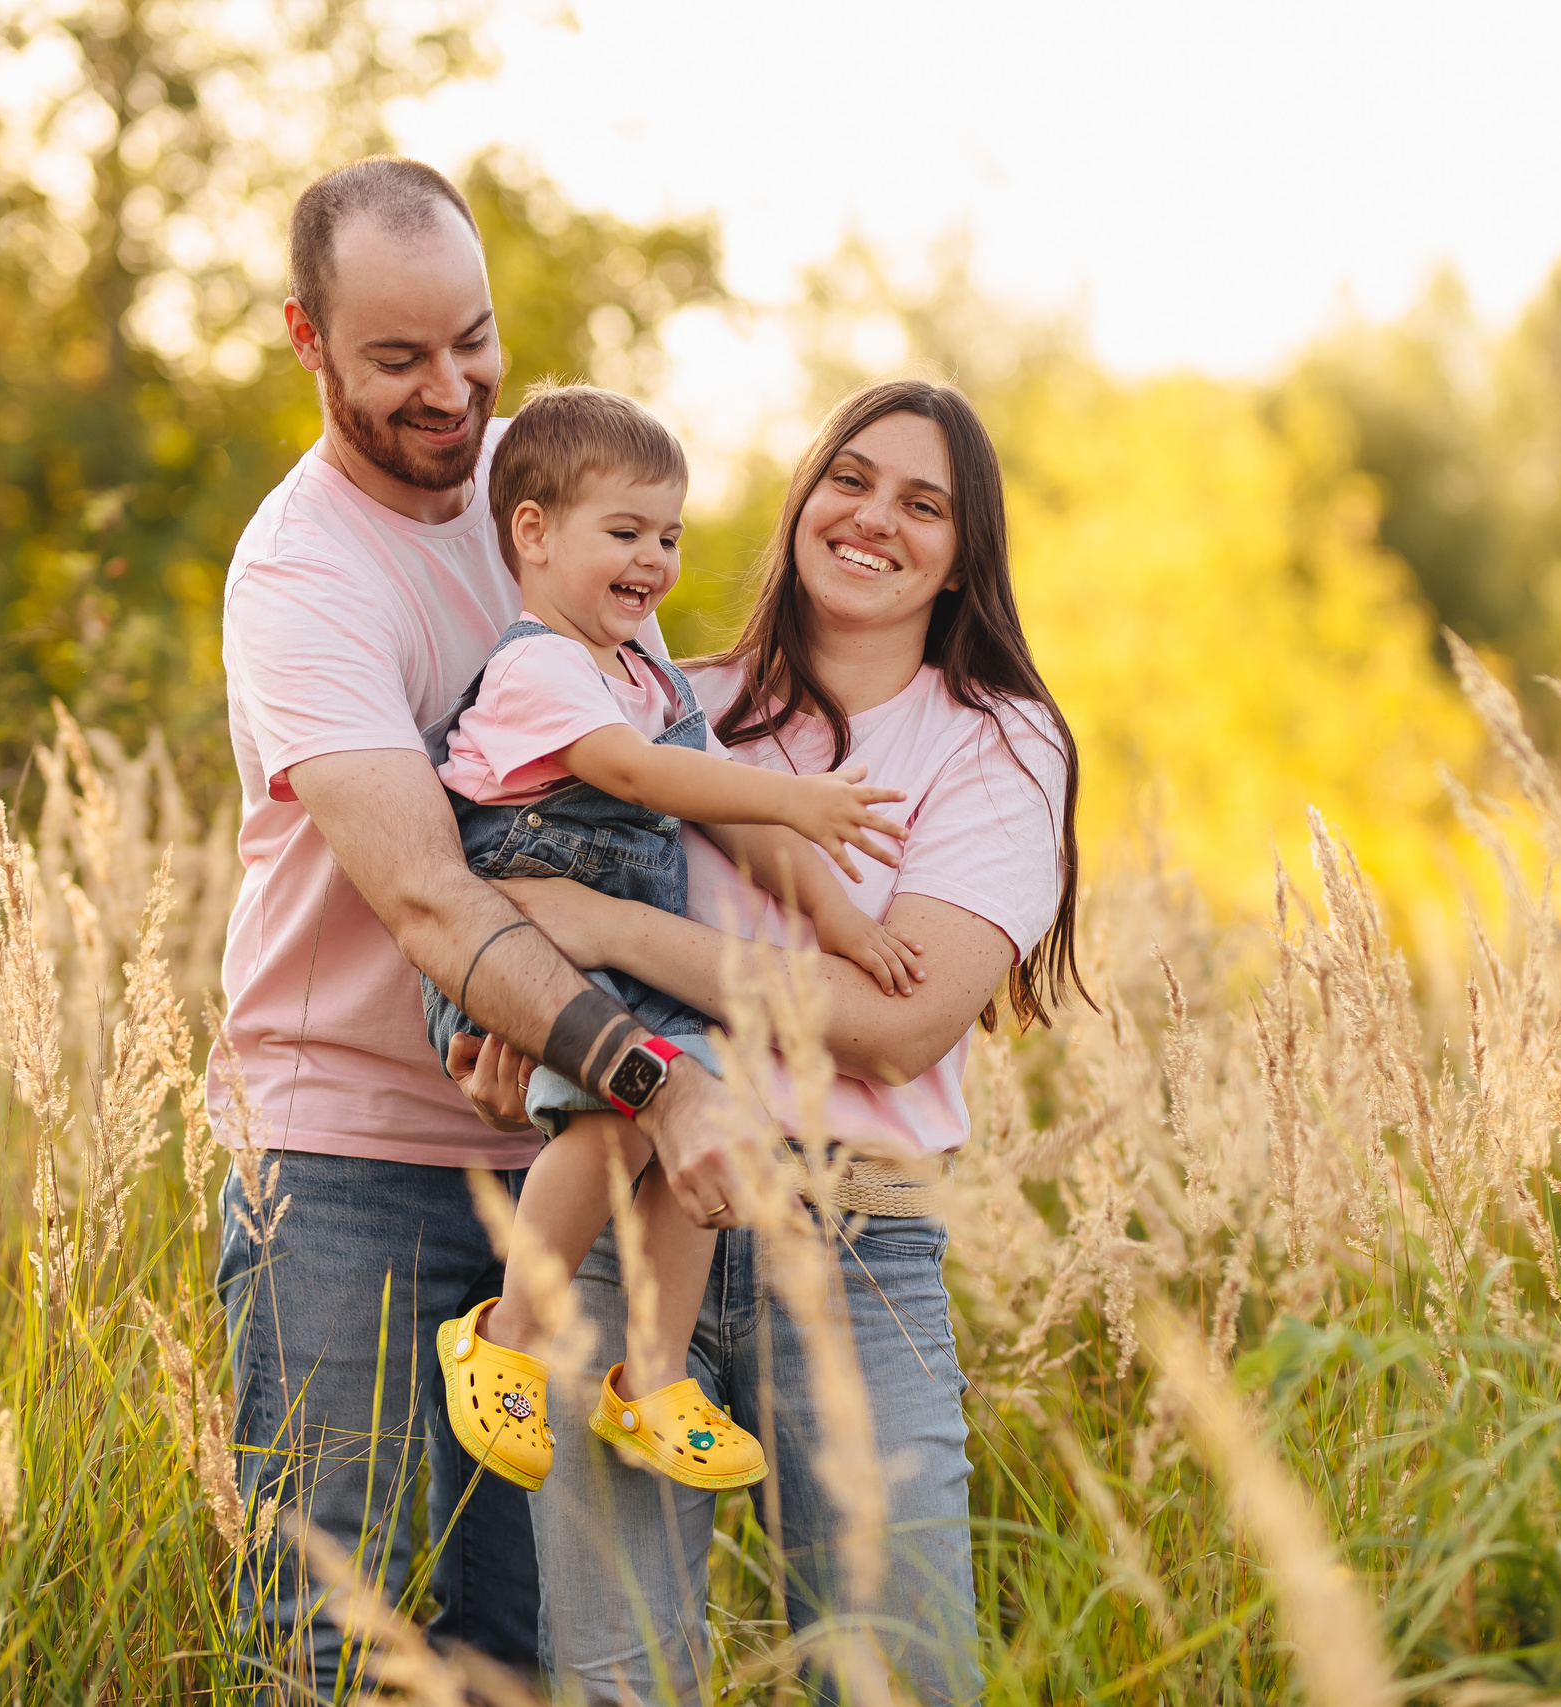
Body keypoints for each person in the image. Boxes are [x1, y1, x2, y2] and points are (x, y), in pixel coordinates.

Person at [209, 156, 756, 1698]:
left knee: (520, 1646)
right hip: (341, 1167)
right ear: (307, 337)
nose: (453, 390)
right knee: (344, 1632)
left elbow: (661, 741)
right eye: (398, 358)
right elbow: (434, 898)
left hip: (551, 1158)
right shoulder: (301, 574)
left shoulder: (551, 479)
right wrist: (659, 1073)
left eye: (474, 338)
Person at [494, 378, 1085, 1705]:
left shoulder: (993, 741)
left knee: (899, 1675)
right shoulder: (655, 701)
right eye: (851, 478)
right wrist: (512, 1000)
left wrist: (616, 932)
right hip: (624, 1223)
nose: (876, 517)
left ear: (962, 551)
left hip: (850, 1241)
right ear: (803, 499)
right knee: (618, 1683)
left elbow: (893, 1024)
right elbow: (509, 896)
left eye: (924, 504)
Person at [417, 382, 923, 1501]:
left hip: (624, 952)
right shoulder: (540, 666)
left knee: (710, 1126)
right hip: (536, 945)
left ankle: (650, 1378)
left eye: (670, 536)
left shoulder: (644, 672)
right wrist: (797, 799)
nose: (653, 559)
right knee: (614, 1115)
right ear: (534, 534)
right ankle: (505, 1333)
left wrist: (839, 919)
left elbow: (723, 817)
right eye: (625, 531)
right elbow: (638, 778)